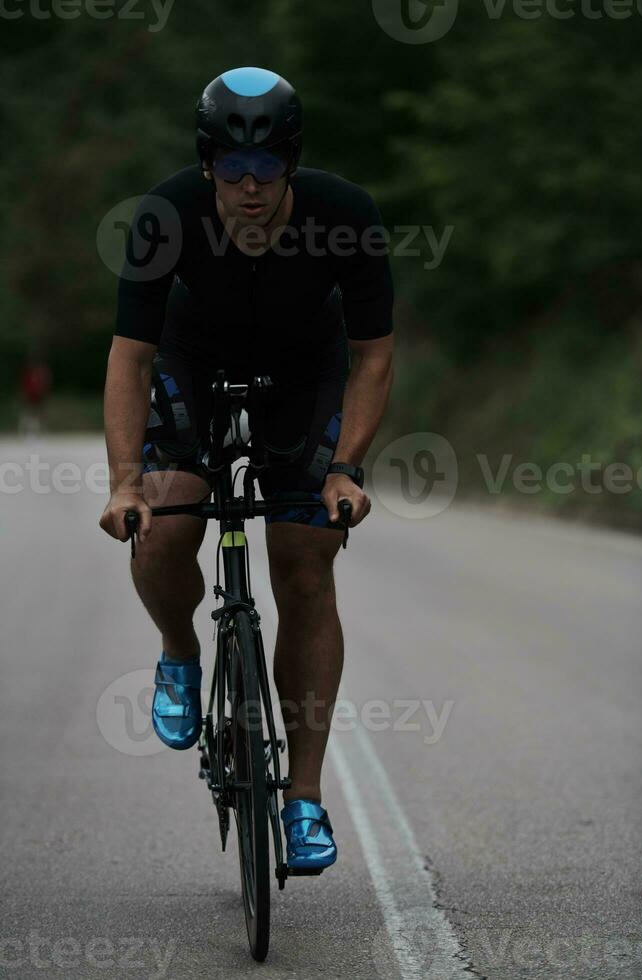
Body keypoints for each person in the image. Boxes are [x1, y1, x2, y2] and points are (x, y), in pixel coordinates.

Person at [99, 66, 394, 872]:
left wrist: (346, 469)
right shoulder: (165, 216)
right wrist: (125, 481)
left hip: (307, 375)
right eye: (233, 169)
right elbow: (130, 359)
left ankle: (302, 801)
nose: (251, 186)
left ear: (292, 164)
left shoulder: (347, 216)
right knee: (161, 529)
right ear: (207, 166)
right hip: (193, 361)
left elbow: (371, 359)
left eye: (268, 168)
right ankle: (180, 655)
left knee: (304, 564)